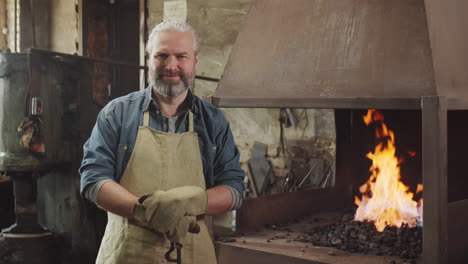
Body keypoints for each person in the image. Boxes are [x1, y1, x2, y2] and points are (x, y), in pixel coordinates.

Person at [79, 20, 245, 264]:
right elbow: (93, 180)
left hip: (192, 254)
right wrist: (143, 210)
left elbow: (234, 189)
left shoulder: (213, 121)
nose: (171, 66)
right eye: (162, 55)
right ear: (148, 58)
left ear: (195, 60)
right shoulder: (117, 114)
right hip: (128, 254)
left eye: (181, 56)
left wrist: (191, 202)